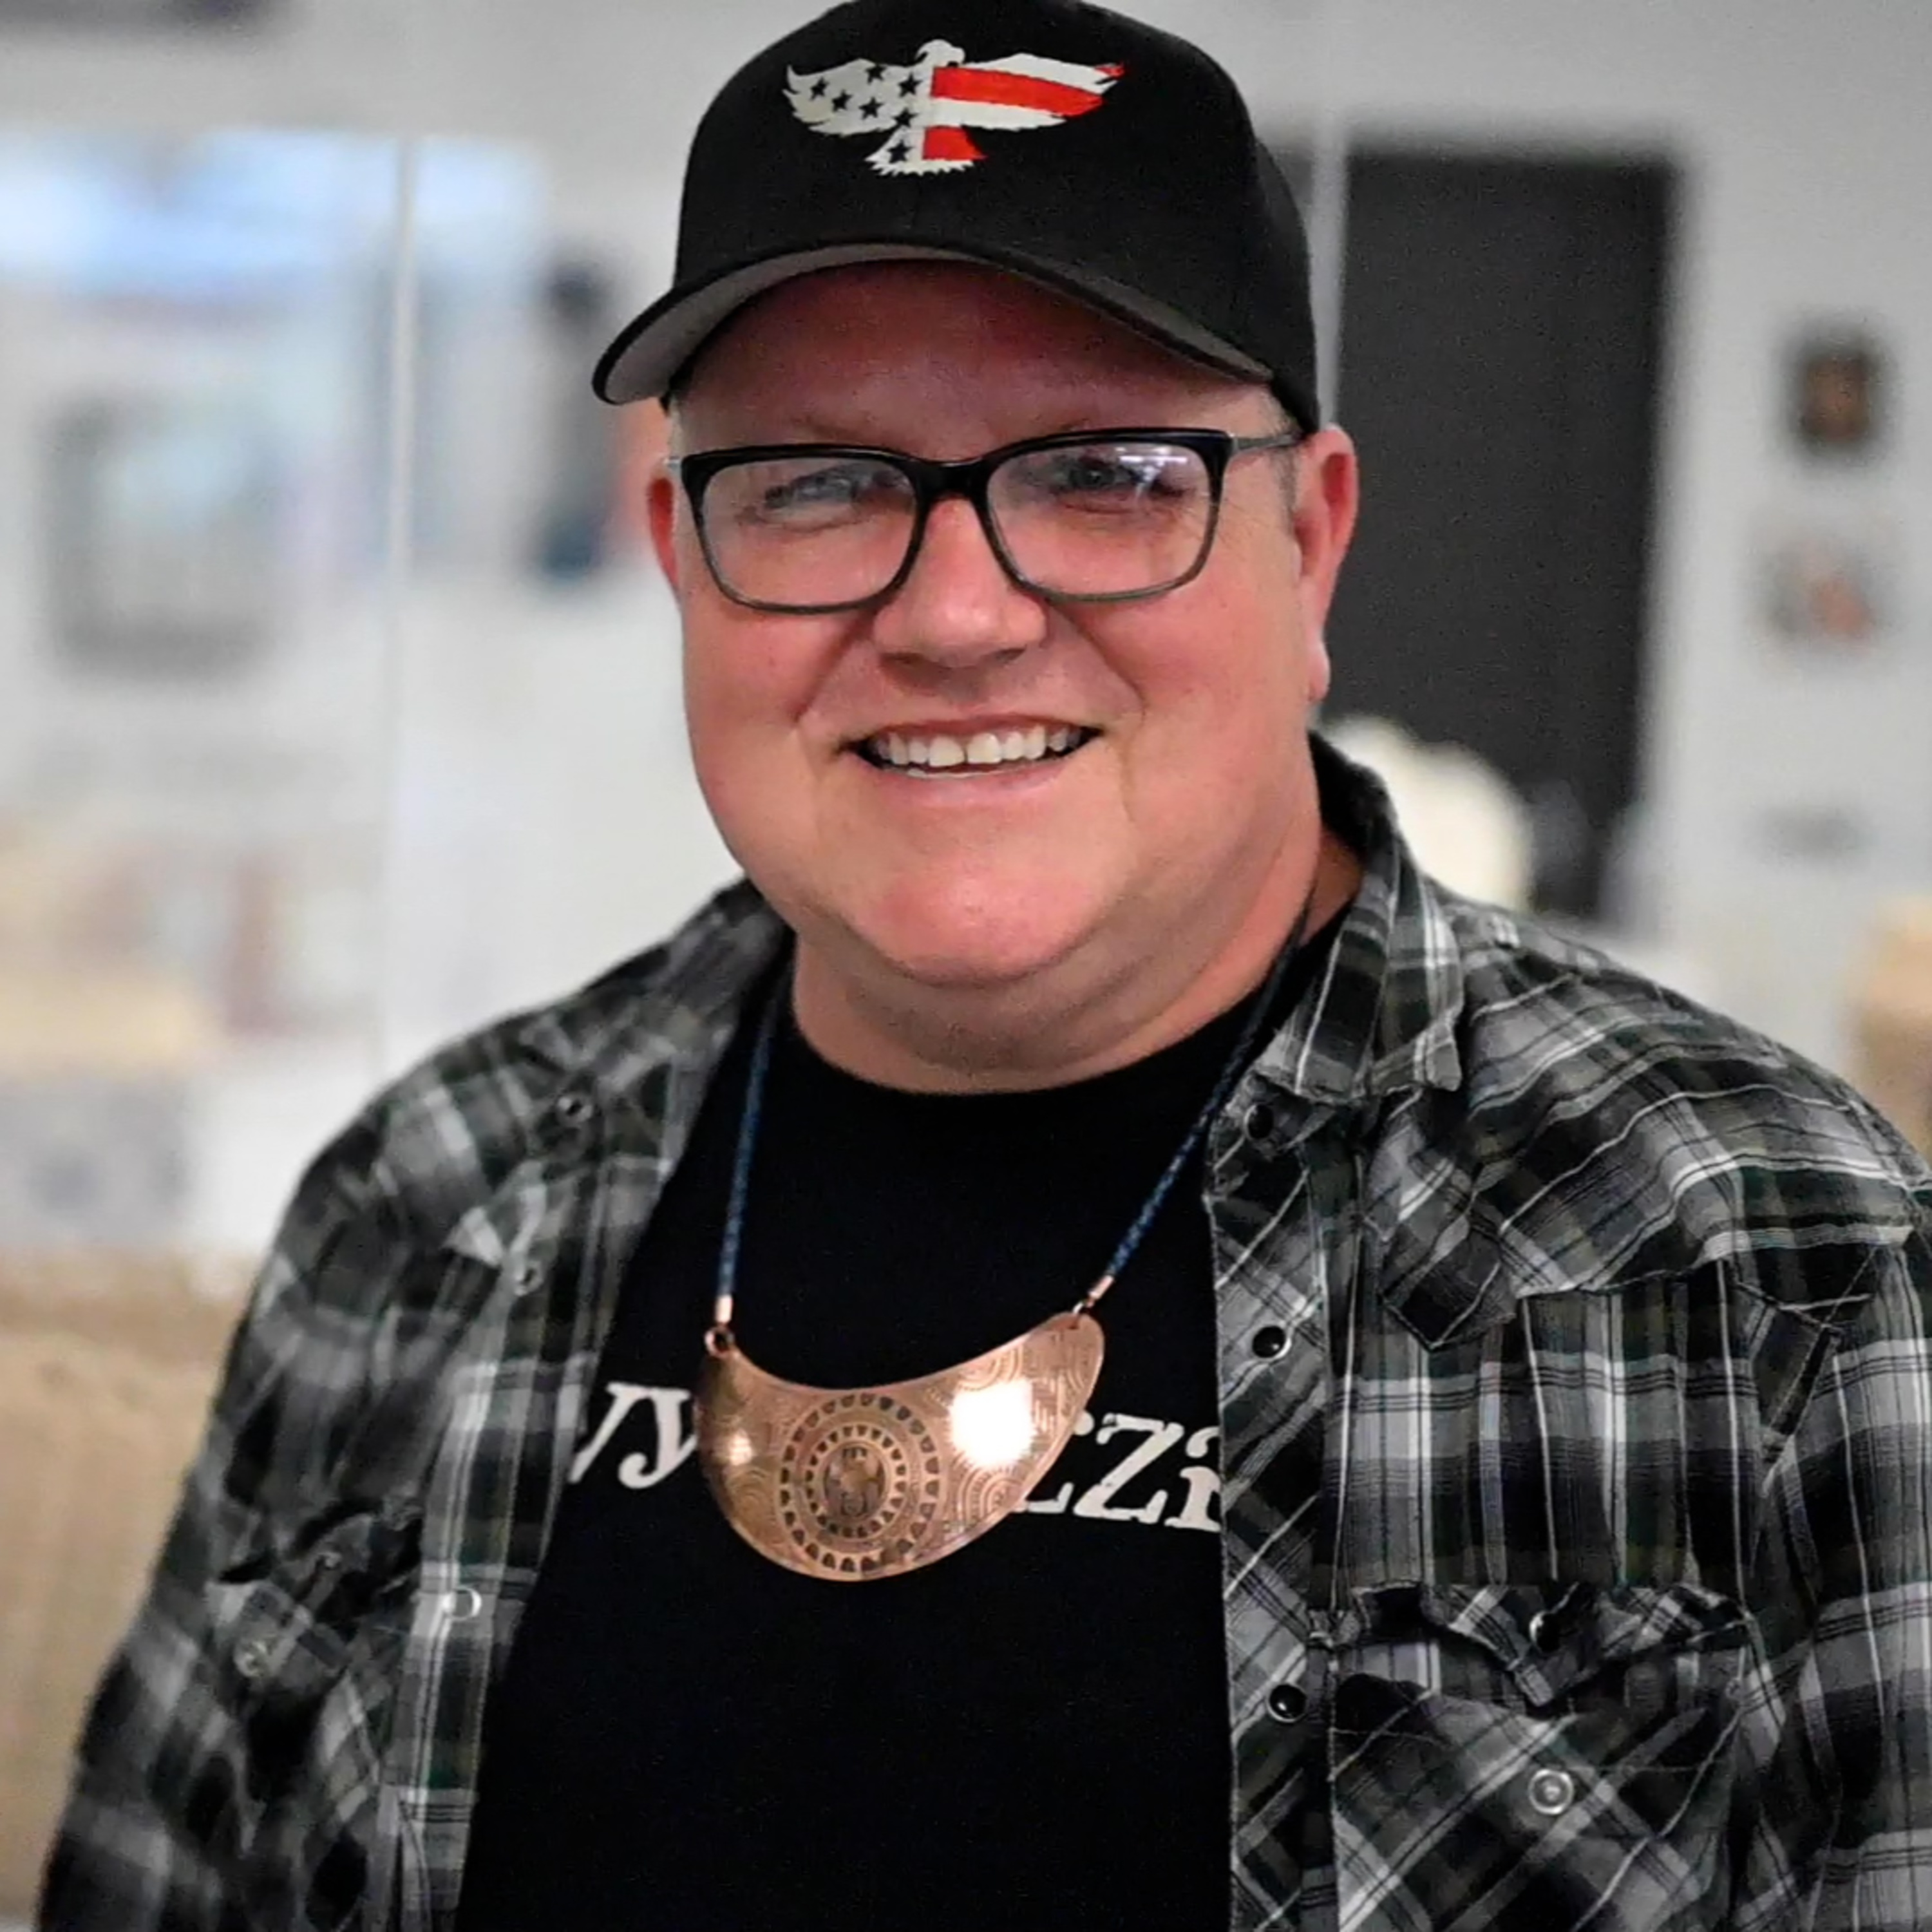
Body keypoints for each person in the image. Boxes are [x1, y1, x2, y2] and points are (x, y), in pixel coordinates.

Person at [40, 0, 1932, 1926]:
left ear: (1313, 545)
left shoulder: (1768, 1275)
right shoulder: (421, 1210)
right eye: (814, 482)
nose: (955, 615)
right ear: (683, 557)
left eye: (1105, 473)